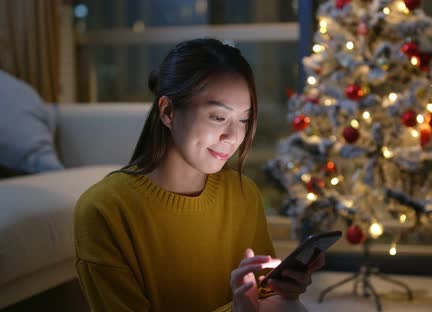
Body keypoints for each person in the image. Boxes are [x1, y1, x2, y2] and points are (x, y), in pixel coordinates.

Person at [74, 38, 324, 312]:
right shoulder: (103, 210)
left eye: (243, 119)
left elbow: (262, 296)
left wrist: (281, 293)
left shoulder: (243, 193)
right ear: (168, 112)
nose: (233, 137)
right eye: (218, 117)